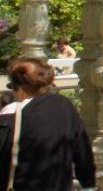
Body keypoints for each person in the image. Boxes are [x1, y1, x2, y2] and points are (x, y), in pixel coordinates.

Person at [0, 57, 95, 190]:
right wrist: (89, 184)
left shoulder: (12, 115)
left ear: (20, 88)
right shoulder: (65, 106)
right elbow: (82, 153)